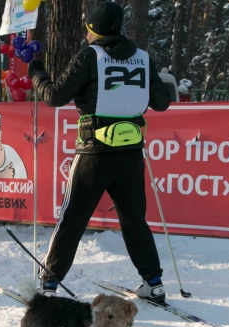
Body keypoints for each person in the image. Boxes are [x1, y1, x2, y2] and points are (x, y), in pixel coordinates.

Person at [28, 2, 170, 302]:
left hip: (94, 152)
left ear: (93, 29)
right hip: (130, 154)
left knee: (72, 219)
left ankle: (48, 284)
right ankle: (154, 282)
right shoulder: (143, 57)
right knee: (134, 219)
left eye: (88, 29)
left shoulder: (90, 56)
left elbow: (54, 97)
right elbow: (161, 103)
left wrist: (37, 72)